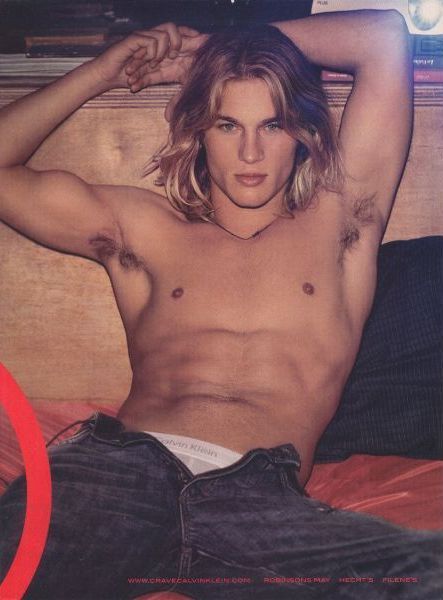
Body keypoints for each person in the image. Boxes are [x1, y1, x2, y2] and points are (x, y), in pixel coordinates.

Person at [0, 10, 441, 600]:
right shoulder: (144, 229)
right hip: (118, 474)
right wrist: (104, 71)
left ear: (301, 134)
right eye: (228, 125)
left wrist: (220, 48)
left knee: (424, 576)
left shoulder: (339, 224)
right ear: (199, 132)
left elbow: (384, 36)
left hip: (258, 502)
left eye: (273, 125)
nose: (251, 152)